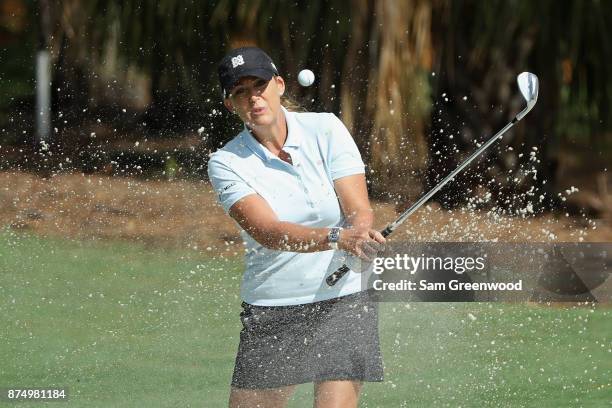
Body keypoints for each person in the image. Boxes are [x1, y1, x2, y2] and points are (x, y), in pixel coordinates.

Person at [208, 46, 386, 408]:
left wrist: (360, 233)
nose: (253, 97)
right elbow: (268, 231)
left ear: (279, 84)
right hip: (275, 305)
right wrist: (339, 237)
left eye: (258, 85)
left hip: (345, 298)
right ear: (231, 105)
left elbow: (358, 209)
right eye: (240, 92)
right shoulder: (226, 162)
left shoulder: (326, 128)